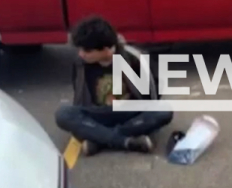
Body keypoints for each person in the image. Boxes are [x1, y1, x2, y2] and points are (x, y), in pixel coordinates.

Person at [55, 16, 173, 156]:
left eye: (87, 51)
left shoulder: (135, 58)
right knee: (64, 113)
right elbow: (79, 97)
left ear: (105, 49)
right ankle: (126, 141)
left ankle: (99, 139)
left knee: (163, 110)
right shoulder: (80, 63)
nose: (81, 54)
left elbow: (153, 98)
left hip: (130, 115)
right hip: (99, 114)